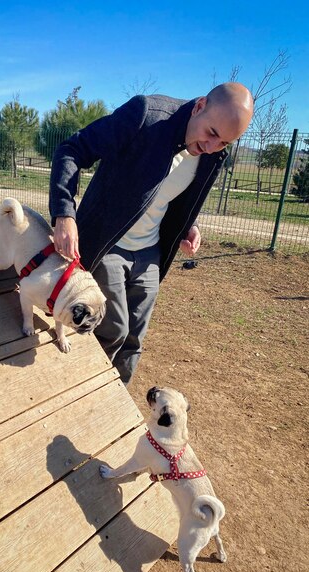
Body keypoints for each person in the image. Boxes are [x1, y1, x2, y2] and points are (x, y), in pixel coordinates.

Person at [49, 82, 254, 385]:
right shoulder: (146, 115)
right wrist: (64, 213)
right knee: (112, 330)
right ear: (199, 106)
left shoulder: (212, 153)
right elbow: (72, 149)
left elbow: (175, 196)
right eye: (211, 134)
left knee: (133, 340)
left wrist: (188, 225)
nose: (212, 147)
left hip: (150, 253)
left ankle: (116, 410)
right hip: (109, 243)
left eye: (224, 143)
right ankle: (80, 395)